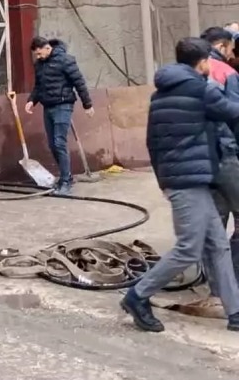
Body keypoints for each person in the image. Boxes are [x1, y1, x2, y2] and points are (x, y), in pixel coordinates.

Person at [120, 37, 239, 333]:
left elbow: (151, 142)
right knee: (189, 249)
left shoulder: (160, 95)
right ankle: (137, 295)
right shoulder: (199, 89)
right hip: (190, 181)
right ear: (203, 62)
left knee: (218, 245)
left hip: (182, 179)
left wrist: (164, 180)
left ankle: (236, 312)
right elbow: (232, 112)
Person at [24, 37, 94, 196]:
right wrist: (31, 101)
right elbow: (38, 86)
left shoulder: (65, 60)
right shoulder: (39, 64)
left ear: (47, 48)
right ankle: (66, 176)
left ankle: (66, 181)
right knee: (52, 144)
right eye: (36, 55)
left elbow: (79, 82)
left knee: (59, 142)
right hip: (47, 106)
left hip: (63, 105)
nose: (38, 57)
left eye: (40, 53)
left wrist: (87, 104)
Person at [200, 27, 239, 285]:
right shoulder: (227, 72)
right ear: (221, 46)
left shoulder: (187, 71)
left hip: (201, 158)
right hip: (226, 153)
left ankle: (215, 283)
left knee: (214, 220)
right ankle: (233, 277)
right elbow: (235, 117)